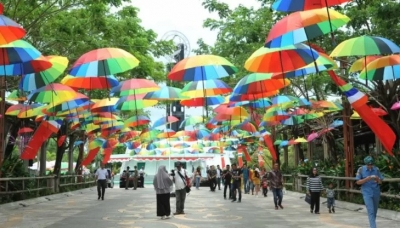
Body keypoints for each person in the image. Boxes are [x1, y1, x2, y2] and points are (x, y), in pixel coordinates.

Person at [356, 156, 384, 228]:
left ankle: (372, 225)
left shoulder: (376, 169)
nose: (370, 166)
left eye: (371, 164)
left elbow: (380, 182)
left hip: (376, 192)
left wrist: (378, 179)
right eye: (368, 165)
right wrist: (366, 179)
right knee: (370, 210)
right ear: (366, 164)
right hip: (366, 192)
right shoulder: (361, 169)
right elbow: (358, 182)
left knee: (374, 211)